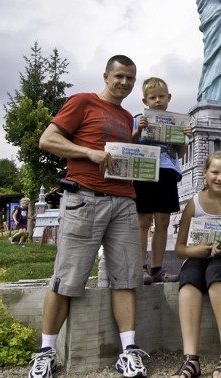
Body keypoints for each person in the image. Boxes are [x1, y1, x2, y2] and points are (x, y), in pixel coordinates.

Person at [29, 55, 148, 378]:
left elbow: (118, 155)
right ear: (106, 75)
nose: (124, 83)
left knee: (126, 277)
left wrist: (140, 144)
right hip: (84, 197)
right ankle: (46, 352)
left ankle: (128, 351)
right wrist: (87, 152)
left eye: (130, 79)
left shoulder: (126, 117)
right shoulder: (83, 101)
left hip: (123, 200)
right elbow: (47, 139)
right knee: (66, 277)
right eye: (120, 76)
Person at [171, 152, 221, 378]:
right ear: (205, 173)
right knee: (189, 278)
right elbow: (179, 249)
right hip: (198, 257)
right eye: (215, 172)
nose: (220, 178)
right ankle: (191, 358)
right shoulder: (193, 204)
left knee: (217, 270)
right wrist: (196, 251)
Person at [132, 77, 192, 284]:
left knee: (163, 222)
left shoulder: (177, 122)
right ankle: (140, 266)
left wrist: (186, 138)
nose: (157, 101)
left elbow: (181, 153)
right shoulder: (139, 118)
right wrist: (139, 129)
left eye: (161, 96)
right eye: (152, 97)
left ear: (169, 97)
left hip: (167, 171)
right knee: (143, 221)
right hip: (144, 171)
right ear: (145, 100)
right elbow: (128, 143)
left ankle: (157, 268)